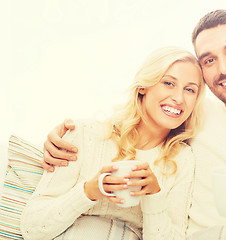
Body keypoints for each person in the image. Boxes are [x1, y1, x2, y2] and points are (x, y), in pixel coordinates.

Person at [41, 10, 226, 240]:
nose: (224, 69)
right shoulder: (191, 114)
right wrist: (62, 137)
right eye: (208, 60)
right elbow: (130, 123)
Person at [20, 46, 206, 240]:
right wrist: (90, 191)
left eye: (190, 90)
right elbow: (31, 229)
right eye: (168, 83)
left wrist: (154, 196)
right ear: (143, 86)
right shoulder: (85, 135)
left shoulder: (182, 159)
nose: (178, 98)